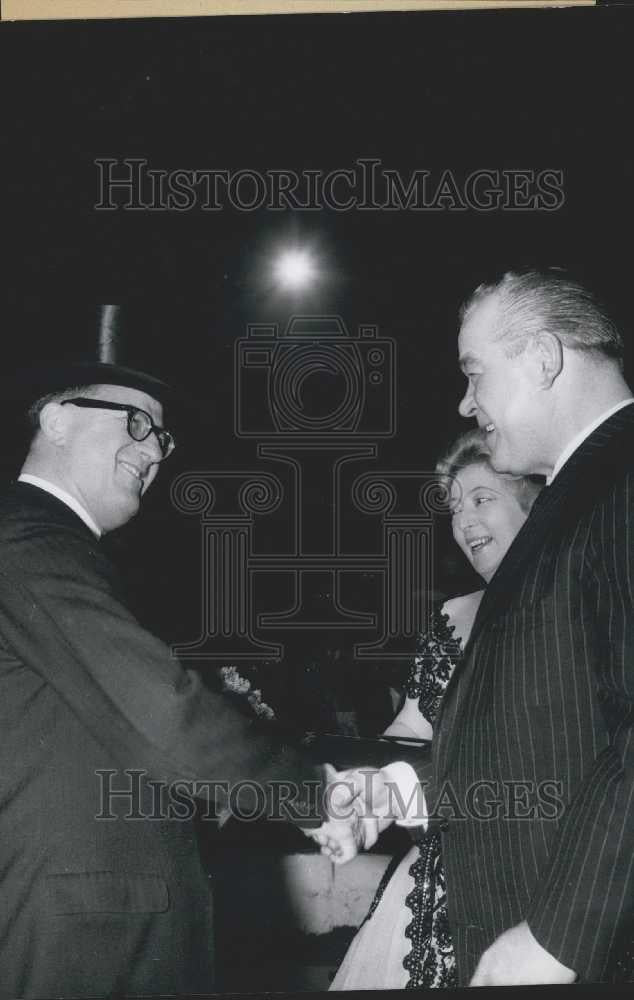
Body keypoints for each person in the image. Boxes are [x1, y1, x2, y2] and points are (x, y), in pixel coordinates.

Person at [321, 267, 634, 985]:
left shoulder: (620, 482)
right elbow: (552, 742)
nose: (466, 401)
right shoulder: (578, 494)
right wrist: (395, 790)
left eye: (475, 372)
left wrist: (564, 933)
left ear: (543, 358)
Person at [0, 359, 344, 999]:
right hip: (80, 938)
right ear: (56, 420)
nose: (153, 449)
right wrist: (313, 792)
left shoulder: (50, 545)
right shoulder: (31, 539)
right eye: (134, 423)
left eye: (162, 437)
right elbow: (159, 710)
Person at [328, 428, 541, 989]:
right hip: (442, 864)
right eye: (454, 508)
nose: (464, 521)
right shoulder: (453, 615)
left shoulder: (576, 604)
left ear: (534, 506)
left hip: (540, 876)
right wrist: (359, 784)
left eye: (482, 500)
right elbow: (413, 728)